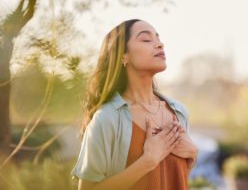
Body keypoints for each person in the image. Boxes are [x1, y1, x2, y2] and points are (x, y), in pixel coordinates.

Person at [71, 19, 198, 190]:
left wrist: (193, 155)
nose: (160, 44)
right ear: (124, 56)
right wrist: (148, 161)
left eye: (158, 38)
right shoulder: (107, 118)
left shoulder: (179, 112)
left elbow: (175, 178)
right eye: (146, 39)